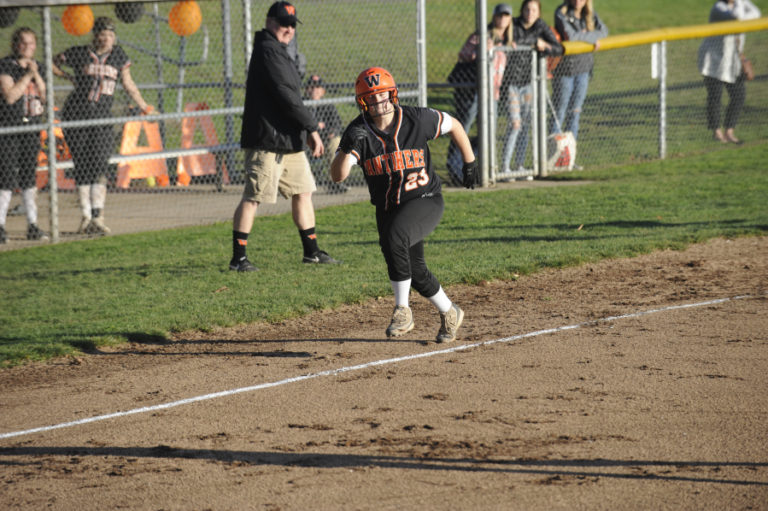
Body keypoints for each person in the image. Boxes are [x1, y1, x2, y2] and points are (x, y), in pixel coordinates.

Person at [330, 67, 478, 343]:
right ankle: (450, 311)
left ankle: (402, 310)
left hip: (424, 199)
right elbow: (338, 175)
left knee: (395, 237)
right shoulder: (359, 131)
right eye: (371, 97)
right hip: (388, 208)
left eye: (383, 94)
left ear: (392, 94)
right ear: (363, 101)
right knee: (415, 270)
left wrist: (469, 162)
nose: (379, 101)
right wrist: (346, 148)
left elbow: (455, 125)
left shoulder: (416, 118)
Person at [232, 1, 339, 272]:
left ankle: (312, 252)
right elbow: (286, 95)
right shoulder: (268, 50)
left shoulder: (279, 50)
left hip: (288, 138)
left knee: (303, 191)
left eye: (292, 24)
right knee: (254, 197)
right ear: (269, 22)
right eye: (283, 23)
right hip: (268, 140)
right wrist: (312, 128)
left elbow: (290, 97)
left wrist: (303, 130)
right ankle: (238, 259)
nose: (289, 29)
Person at [53, 16, 152, 236]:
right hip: (77, 116)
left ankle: (98, 217)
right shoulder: (80, 53)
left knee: (99, 166)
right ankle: (86, 217)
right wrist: (67, 76)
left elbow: (128, 83)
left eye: (110, 35)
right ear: (95, 35)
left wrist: (144, 106)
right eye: (103, 34)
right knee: (82, 166)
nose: (106, 38)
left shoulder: (118, 55)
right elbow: (52, 62)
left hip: (102, 118)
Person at [446, 3, 512, 184]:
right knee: (463, 127)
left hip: (493, 93)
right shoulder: (481, 35)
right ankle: (454, 165)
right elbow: (463, 54)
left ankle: (485, 168)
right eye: (500, 15)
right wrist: (481, 49)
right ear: (494, 16)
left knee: (489, 130)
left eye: (506, 15)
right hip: (474, 92)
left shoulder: (508, 40)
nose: (502, 19)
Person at [499, 0, 562, 178]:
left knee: (525, 125)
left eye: (534, 10)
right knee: (515, 124)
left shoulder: (541, 26)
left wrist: (545, 46)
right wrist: (533, 42)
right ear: (522, 10)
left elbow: (559, 48)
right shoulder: (513, 24)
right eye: (527, 9)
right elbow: (504, 38)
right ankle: (505, 167)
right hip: (511, 82)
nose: (530, 13)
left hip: (528, 82)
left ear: (539, 12)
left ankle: (520, 166)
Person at [0, 27, 48, 243]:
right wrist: (28, 75)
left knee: (29, 177)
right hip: (10, 129)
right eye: (23, 43)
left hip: (31, 129)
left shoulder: (39, 67)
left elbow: (45, 96)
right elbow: (10, 96)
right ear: (15, 44)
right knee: (6, 177)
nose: (28, 47)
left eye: (31, 43)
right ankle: (0, 226)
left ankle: (33, 225)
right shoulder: (6, 66)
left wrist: (35, 73)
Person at [698, 0, 761, 144]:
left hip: (732, 60)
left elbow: (756, 13)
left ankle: (729, 131)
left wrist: (740, 3)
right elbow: (737, 18)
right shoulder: (718, 8)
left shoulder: (740, 4)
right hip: (713, 59)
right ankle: (716, 132)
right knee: (715, 96)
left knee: (739, 95)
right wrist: (740, 4)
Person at [551, 0, 608, 145]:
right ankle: (553, 151)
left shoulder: (589, 14)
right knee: (560, 111)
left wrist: (585, 35)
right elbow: (571, 37)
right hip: (565, 70)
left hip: (583, 69)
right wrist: (592, 37)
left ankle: (570, 151)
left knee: (575, 112)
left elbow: (604, 32)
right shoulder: (561, 13)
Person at [304, 74, 347, 193]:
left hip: (325, 140)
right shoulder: (302, 105)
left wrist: (324, 130)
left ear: (323, 91)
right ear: (306, 90)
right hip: (306, 141)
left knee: (335, 142)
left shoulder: (328, 106)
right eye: (311, 87)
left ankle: (335, 182)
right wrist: (317, 126)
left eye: (317, 87)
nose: (314, 90)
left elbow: (336, 126)